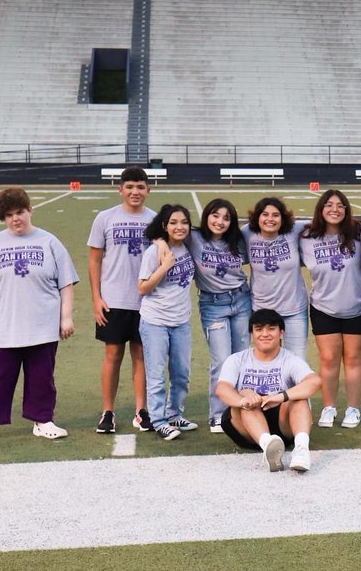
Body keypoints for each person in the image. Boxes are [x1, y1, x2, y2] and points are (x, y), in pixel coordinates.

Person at [0, 188, 78, 444]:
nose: (15, 219)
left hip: (42, 324)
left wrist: (66, 318)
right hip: (4, 325)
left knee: (42, 377)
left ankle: (42, 421)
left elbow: (66, 284)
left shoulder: (49, 242)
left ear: (30, 210)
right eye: (9, 215)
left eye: (20, 212)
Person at [88, 166, 155, 434]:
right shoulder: (105, 218)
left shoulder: (155, 220)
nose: (134, 192)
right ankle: (108, 411)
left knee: (141, 355)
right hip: (113, 300)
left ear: (148, 190)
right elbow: (94, 260)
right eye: (129, 187)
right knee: (113, 355)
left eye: (140, 187)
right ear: (120, 189)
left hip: (146, 300)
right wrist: (96, 298)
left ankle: (141, 410)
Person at [216, 309, 321, 472]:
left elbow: (314, 381)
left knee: (299, 398)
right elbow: (222, 389)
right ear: (252, 334)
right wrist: (243, 400)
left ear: (281, 333)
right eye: (259, 329)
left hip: (281, 425)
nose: (265, 334)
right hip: (245, 426)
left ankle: (301, 450)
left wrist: (280, 396)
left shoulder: (290, 359)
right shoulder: (237, 359)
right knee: (244, 394)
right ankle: (268, 445)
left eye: (271, 329)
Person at [301, 190, 361, 430]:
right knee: (328, 359)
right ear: (320, 209)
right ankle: (329, 407)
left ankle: (353, 408)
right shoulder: (306, 237)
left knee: (353, 359)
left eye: (340, 205)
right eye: (329, 205)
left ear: (346, 210)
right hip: (323, 307)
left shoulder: (359, 234)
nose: (335, 209)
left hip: (357, 306)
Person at [186, 198, 252, 433]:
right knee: (222, 360)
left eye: (226, 218)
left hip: (242, 300)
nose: (220, 222)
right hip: (213, 304)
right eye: (215, 215)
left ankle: (241, 409)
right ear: (206, 216)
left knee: (241, 358)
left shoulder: (238, 240)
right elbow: (165, 231)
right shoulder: (194, 238)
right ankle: (217, 415)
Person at [138, 204, 197, 441]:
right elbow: (142, 287)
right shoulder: (154, 252)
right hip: (155, 321)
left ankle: (174, 414)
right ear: (164, 226)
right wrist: (164, 267)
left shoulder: (188, 246)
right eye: (173, 222)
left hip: (181, 321)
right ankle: (158, 420)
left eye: (184, 222)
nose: (179, 227)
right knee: (157, 375)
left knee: (181, 373)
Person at [242, 197, 309, 357]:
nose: (270, 219)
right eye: (265, 214)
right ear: (257, 217)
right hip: (262, 309)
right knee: (267, 359)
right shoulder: (247, 233)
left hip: (294, 310)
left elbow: (321, 223)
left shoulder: (294, 230)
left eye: (275, 215)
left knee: (297, 359)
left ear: (283, 219)